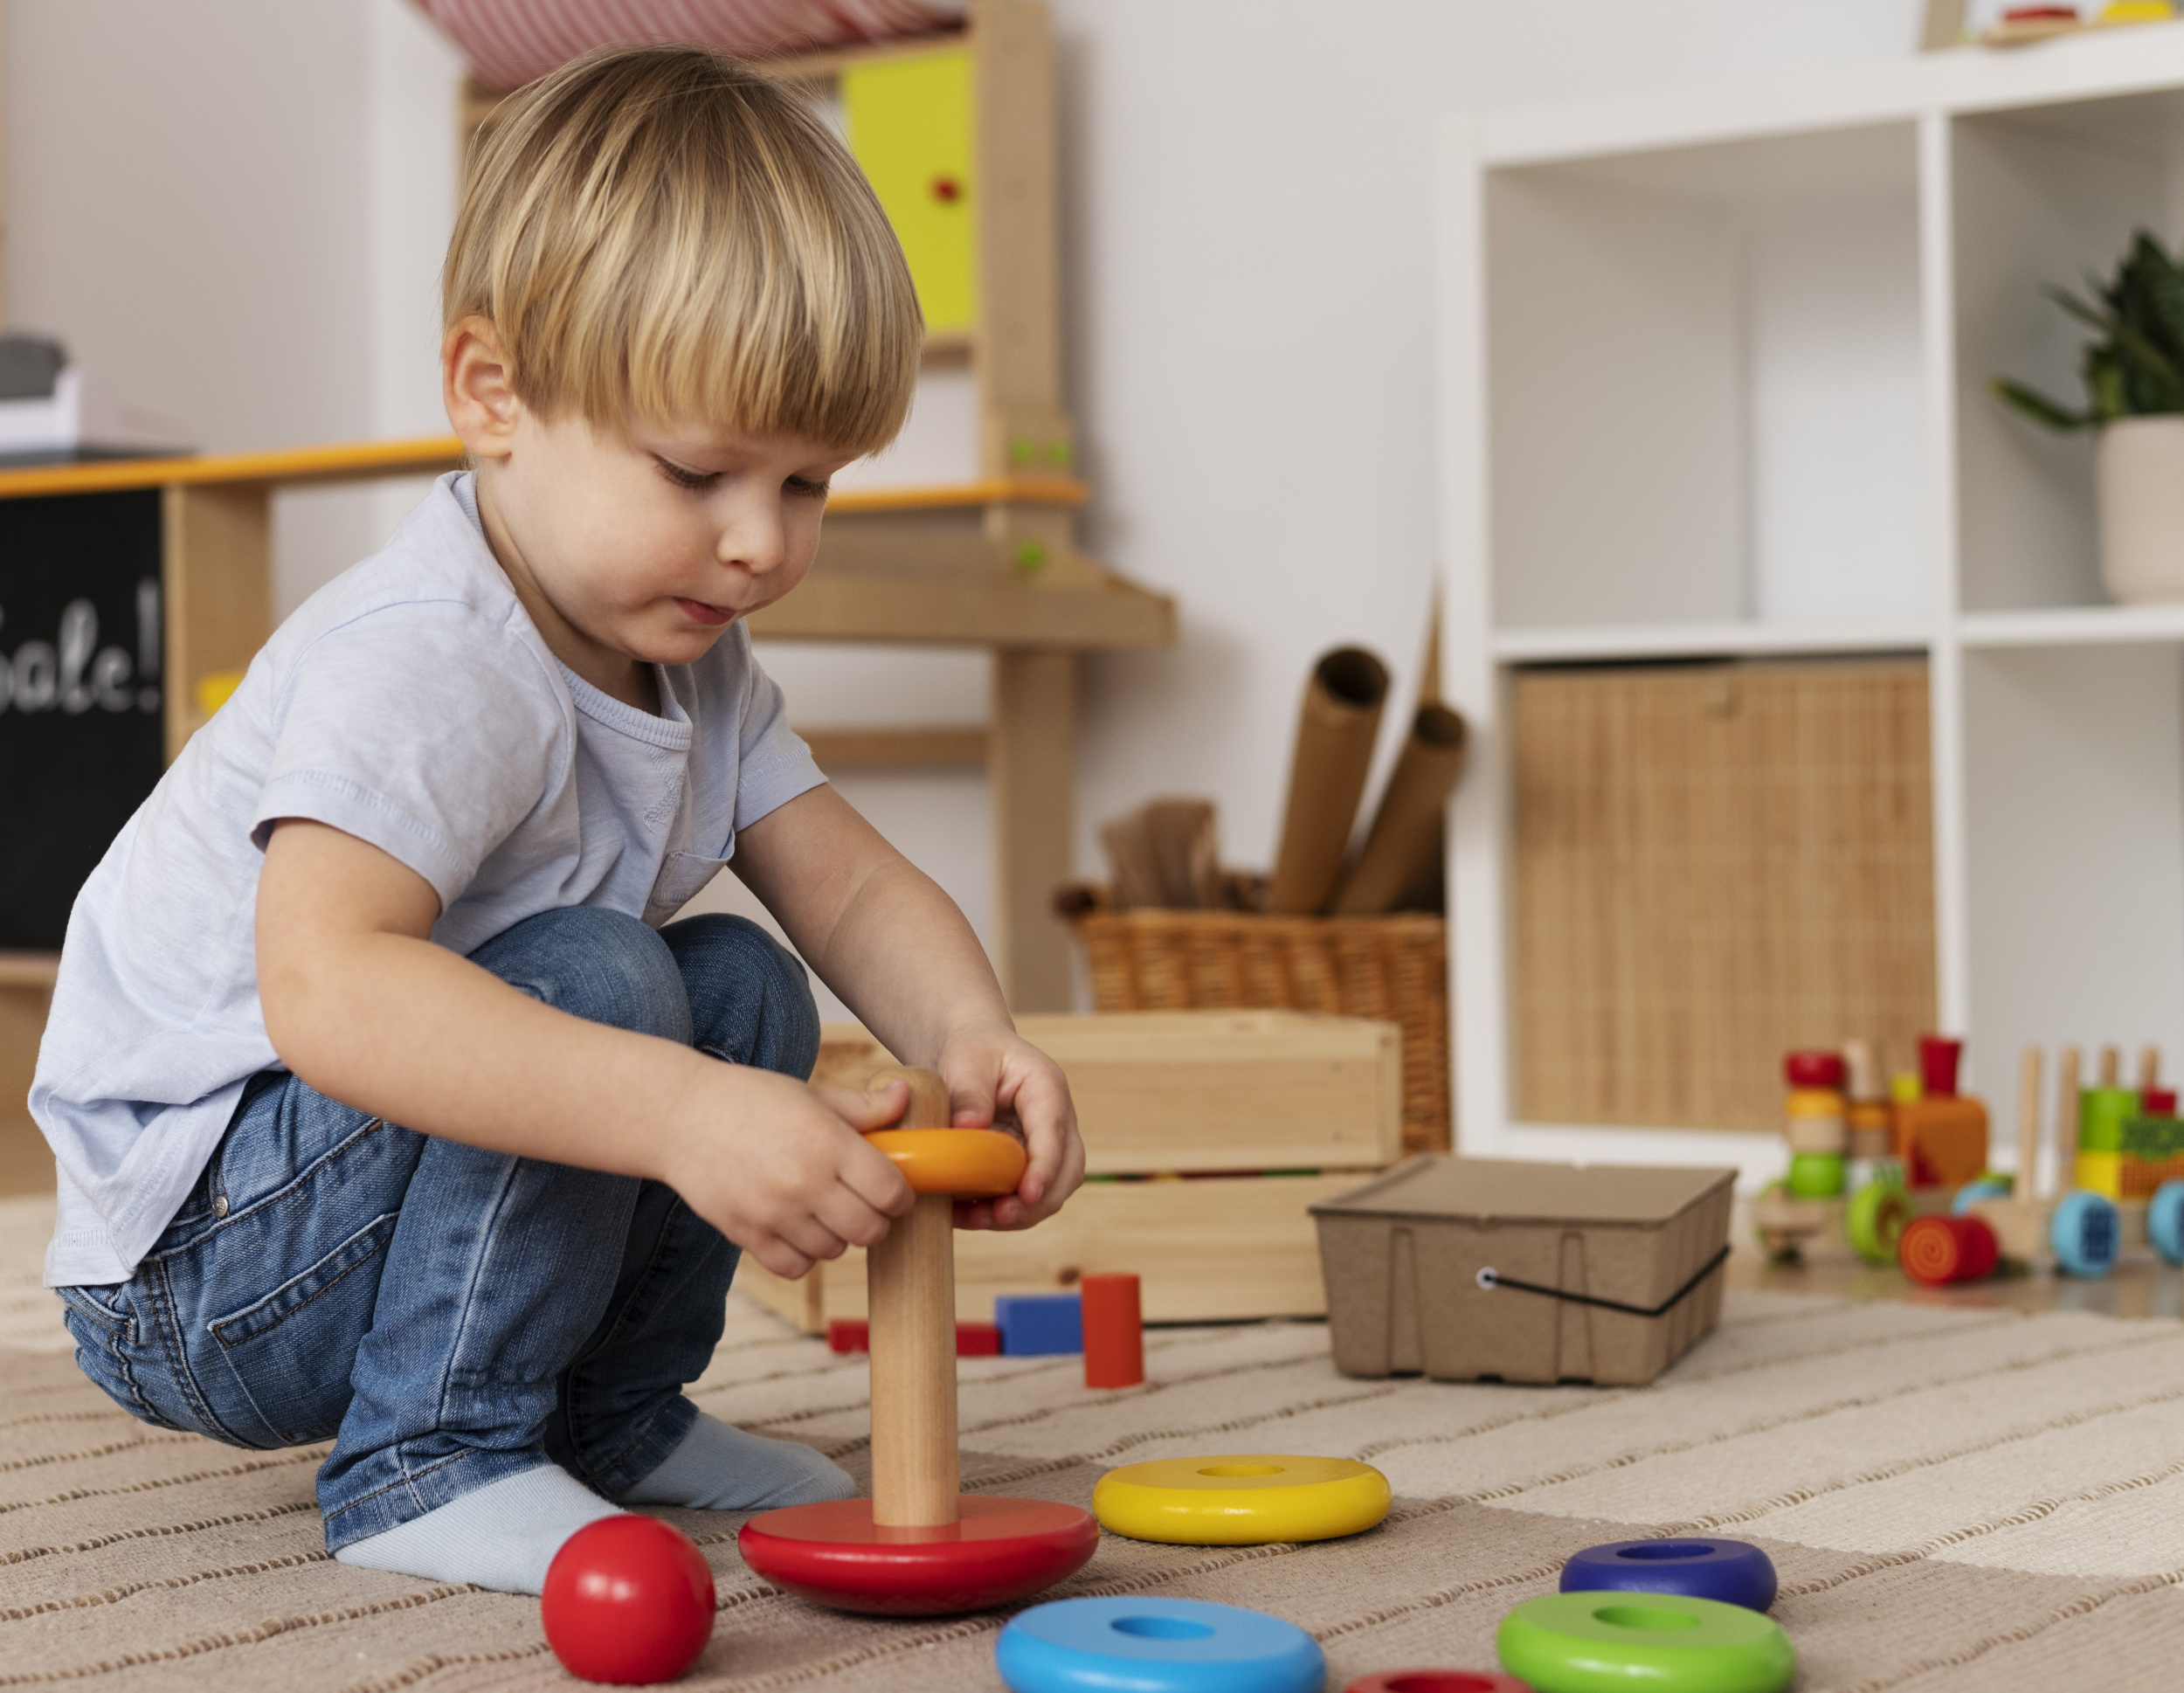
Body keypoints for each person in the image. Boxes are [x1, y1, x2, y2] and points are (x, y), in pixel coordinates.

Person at [30, 45, 1084, 1596]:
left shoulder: (693, 654)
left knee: (737, 979)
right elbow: (330, 989)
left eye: (806, 484)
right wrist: (680, 1115)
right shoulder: (429, 656)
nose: (754, 543)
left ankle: (608, 1414)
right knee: (600, 971)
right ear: (492, 394)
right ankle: (428, 1458)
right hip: (196, 1264)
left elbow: (848, 884)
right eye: (698, 469)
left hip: (340, 1196)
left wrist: (977, 1032)